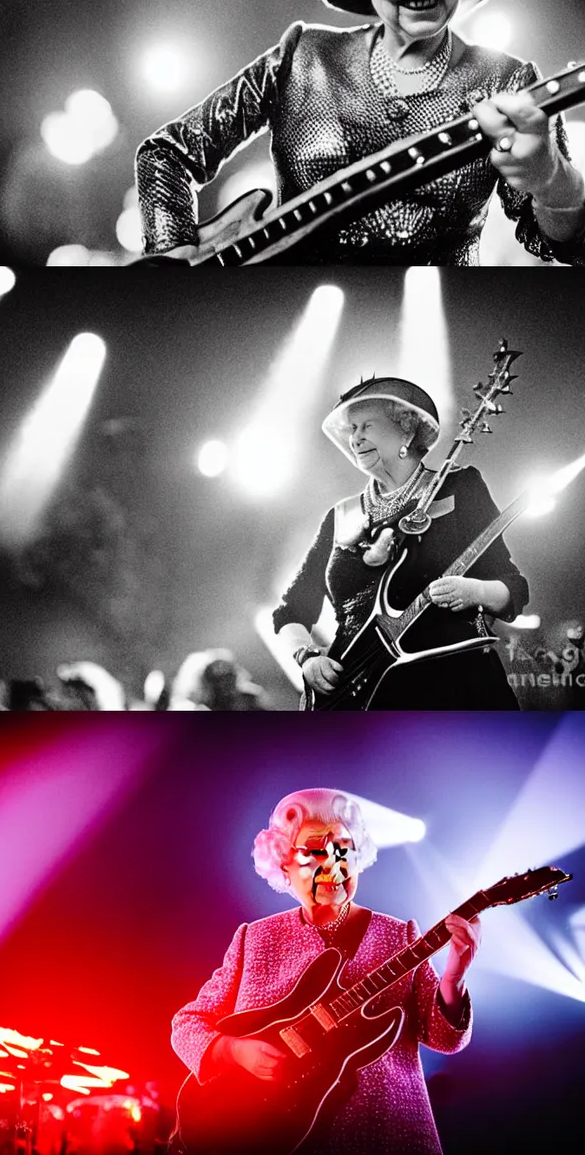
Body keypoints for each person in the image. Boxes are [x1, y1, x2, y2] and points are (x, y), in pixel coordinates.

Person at [135, 0, 585, 265]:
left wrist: (551, 180)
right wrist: (172, 260)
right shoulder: (299, 57)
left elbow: (567, 244)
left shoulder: (508, 80)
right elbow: (166, 152)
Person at [172, 788, 478, 1155]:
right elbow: (188, 1024)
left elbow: (445, 1039)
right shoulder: (253, 939)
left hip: (387, 1134)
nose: (332, 863)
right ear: (283, 862)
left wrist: (453, 978)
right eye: (315, 850)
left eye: (343, 848)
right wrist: (233, 1050)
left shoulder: (401, 936)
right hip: (277, 1138)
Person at [274, 376, 526, 709]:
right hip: (356, 696)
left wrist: (475, 592)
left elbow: (514, 587)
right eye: (352, 429)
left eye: (367, 425)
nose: (355, 438)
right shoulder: (339, 516)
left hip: (451, 687)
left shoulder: (460, 487)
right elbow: (290, 611)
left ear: (406, 430)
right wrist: (307, 658)